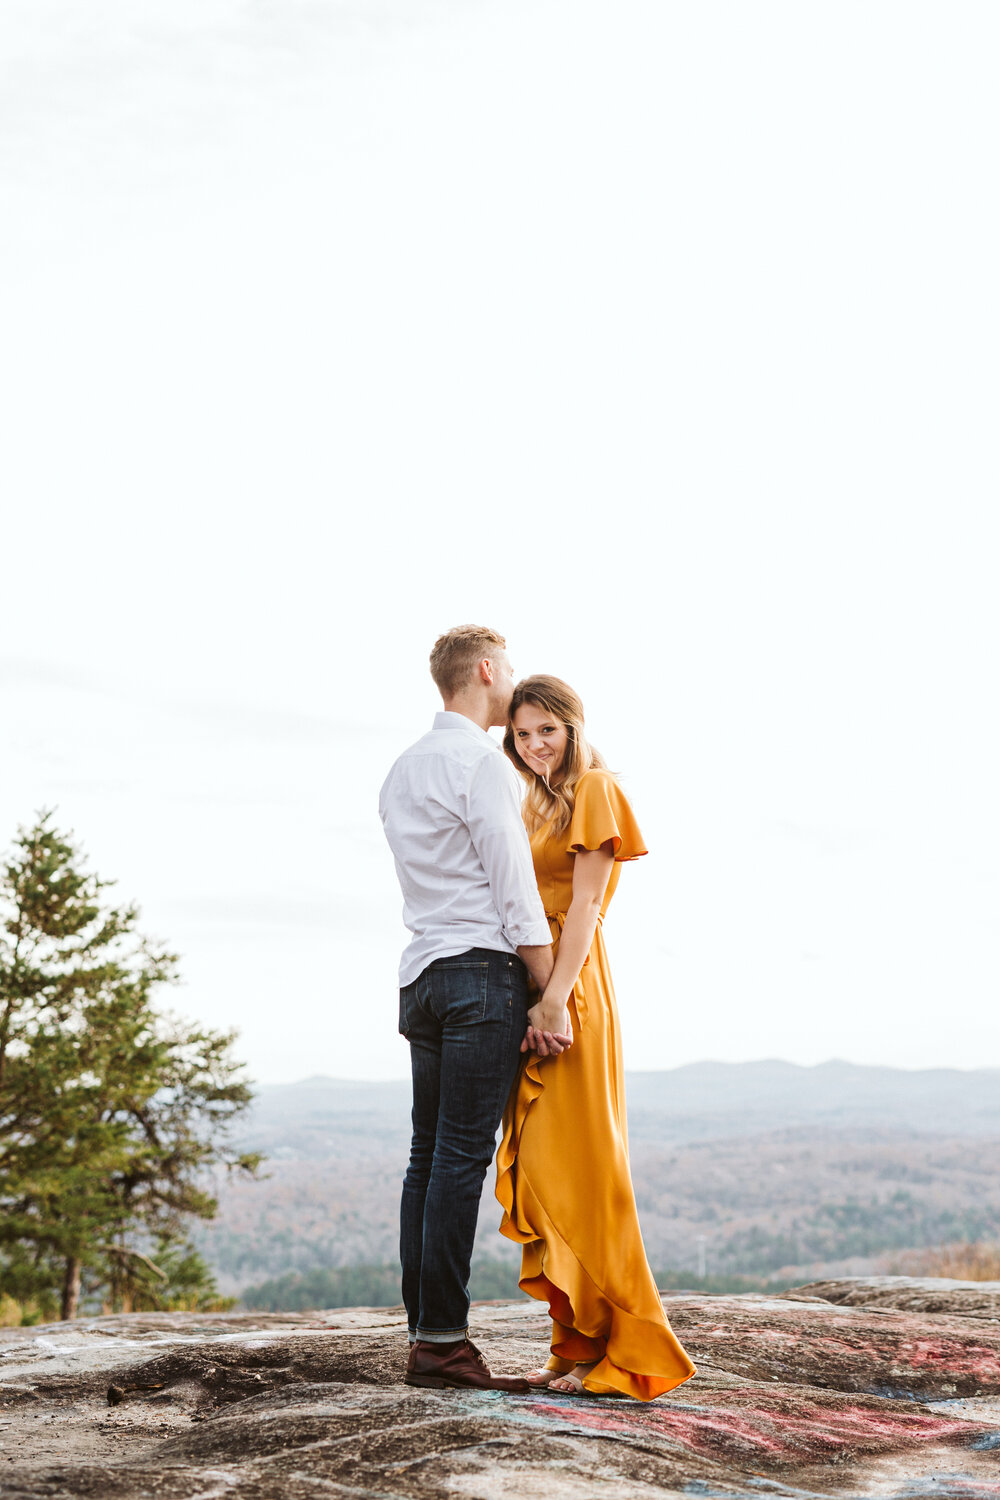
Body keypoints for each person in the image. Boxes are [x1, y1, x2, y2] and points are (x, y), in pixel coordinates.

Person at [379, 626, 572, 1393]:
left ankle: (428, 1335)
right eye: (511, 671)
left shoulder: (402, 768)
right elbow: (513, 888)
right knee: (458, 1161)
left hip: (421, 978)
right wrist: (549, 993)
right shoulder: (479, 765)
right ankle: (444, 1348)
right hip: (479, 979)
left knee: (427, 1161)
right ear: (487, 671)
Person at [496, 675, 696, 1400]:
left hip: (570, 984)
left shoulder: (597, 788)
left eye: (546, 730)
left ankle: (633, 1347)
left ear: (573, 727)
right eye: (521, 734)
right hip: (533, 981)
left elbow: (584, 901)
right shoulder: (533, 799)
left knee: (589, 1167)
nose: (534, 745)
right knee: (550, 1167)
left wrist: (553, 1000)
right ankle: (575, 1338)